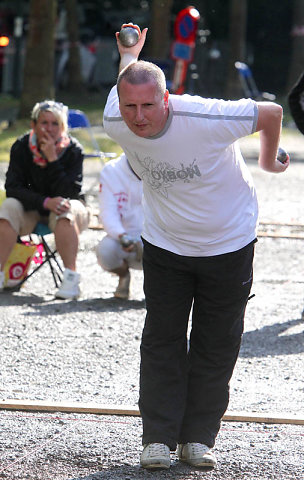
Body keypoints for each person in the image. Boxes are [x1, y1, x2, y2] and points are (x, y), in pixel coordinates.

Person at [103, 24, 290, 470]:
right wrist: (131, 52)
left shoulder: (204, 116)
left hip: (229, 241)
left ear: (168, 100)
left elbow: (271, 111)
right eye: (131, 106)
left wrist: (268, 162)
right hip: (166, 242)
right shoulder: (116, 118)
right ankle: (158, 439)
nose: (139, 116)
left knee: (216, 342)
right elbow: (128, 76)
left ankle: (198, 439)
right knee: (161, 338)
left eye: (149, 105)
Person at [0, 100, 90, 299]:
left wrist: (52, 160)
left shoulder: (74, 150)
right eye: (44, 123)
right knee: (8, 207)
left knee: (66, 208)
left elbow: (70, 192)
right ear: (33, 125)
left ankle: (71, 277)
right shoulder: (22, 146)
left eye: (55, 123)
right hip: (30, 210)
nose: (49, 128)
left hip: (67, 213)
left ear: (63, 127)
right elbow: (13, 188)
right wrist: (43, 202)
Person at [96, 152, 143, 299]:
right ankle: (124, 276)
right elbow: (107, 213)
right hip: (124, 238)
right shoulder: (111, 171)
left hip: (157, 237)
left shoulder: (163, 166)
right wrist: (122, 236)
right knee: (105, 251)